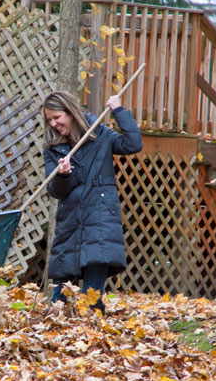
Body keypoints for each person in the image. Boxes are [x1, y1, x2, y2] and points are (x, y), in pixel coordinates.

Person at [42, 90, 143, 313]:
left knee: (91, 300)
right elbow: (55, 191)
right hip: (70, 224)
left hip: (99, 222)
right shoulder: (52, 148)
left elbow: (133, 144)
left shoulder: (100, 134)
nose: (53, 124)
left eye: (57, 118)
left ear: (70, 112)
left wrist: (118, 111)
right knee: (58, 303)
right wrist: (63, 175)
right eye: (49, 119)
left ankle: (95, 340)